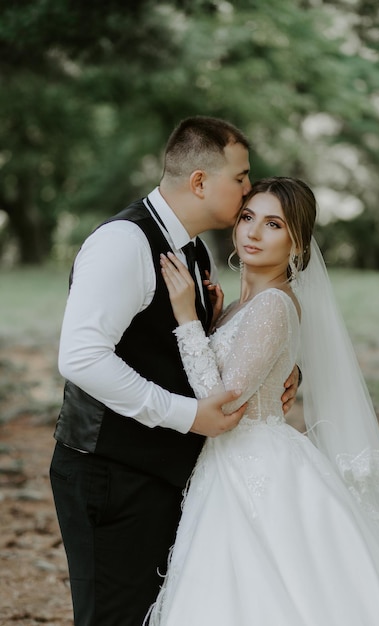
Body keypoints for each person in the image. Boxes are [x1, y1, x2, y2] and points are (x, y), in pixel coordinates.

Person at [49, 118, 300, 626]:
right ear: (201, 182)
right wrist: (187, 415)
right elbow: (81, 357)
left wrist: (271, 376)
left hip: (167, 474)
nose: (248, 188)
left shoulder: (192, 251)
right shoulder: (124, 242)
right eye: (241, 177)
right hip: (110, 471)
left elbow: (198, 352)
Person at [147, 176, 379, 625]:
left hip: (256, 464)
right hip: (229, 463)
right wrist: (214, 322)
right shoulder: (241, 307)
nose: (253, 233)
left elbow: (222, 400)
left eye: (273, 224)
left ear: (297, 244)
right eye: (248, 218)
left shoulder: (273, 304)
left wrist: (185, 317)